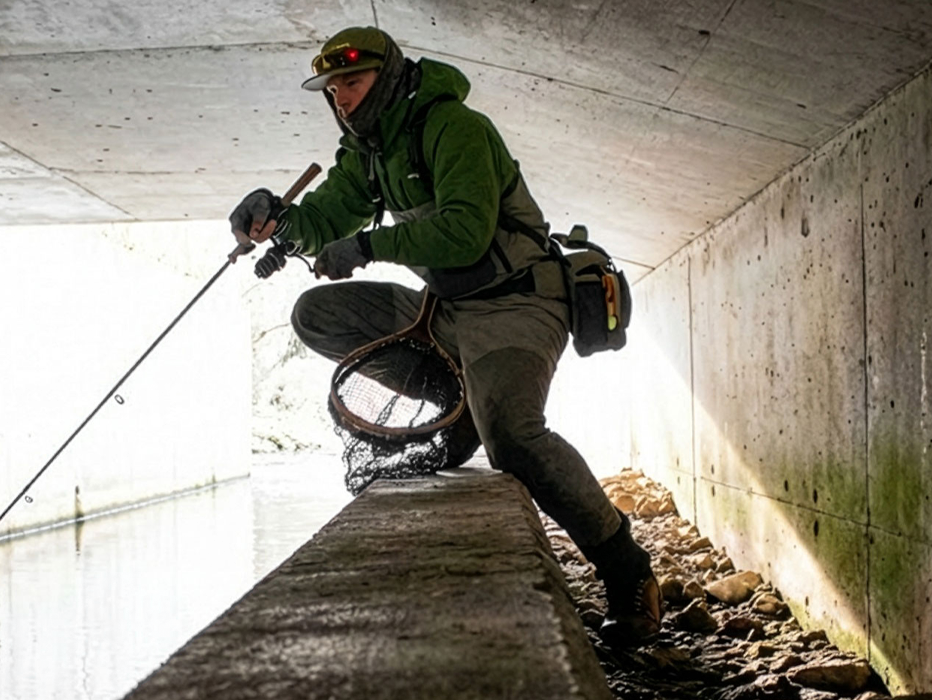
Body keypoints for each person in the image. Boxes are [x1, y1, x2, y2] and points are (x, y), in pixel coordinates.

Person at [228, 26, 663, 646]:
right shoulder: (367, 151)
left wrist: (369, 244)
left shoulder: (457, 127)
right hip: (447, 308)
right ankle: (460, 413)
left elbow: (463, 232)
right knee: (316, 316)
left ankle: (628, 571)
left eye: (352, 81)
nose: (341, 98)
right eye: (332, 88)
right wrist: (281, 220)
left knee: (513, 438)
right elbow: (326, 219)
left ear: (391, 75)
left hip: (518, 303)